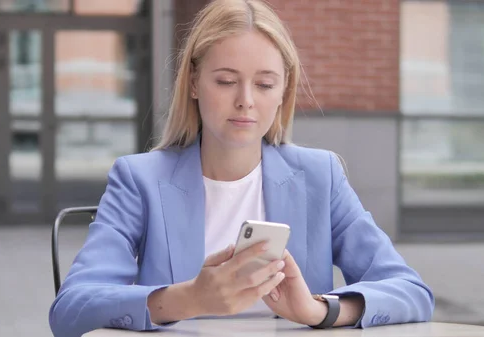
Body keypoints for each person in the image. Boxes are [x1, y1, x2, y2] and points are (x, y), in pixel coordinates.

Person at [48, 1, 434, 336]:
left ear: (284, 90)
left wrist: (319, 310)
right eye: (227, 81)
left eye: (265, 85)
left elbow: (411, 292)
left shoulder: (321, 175)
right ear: (195, 82)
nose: (245, 101)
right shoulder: (140, 179)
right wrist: (188, 299)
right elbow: (70, 311)